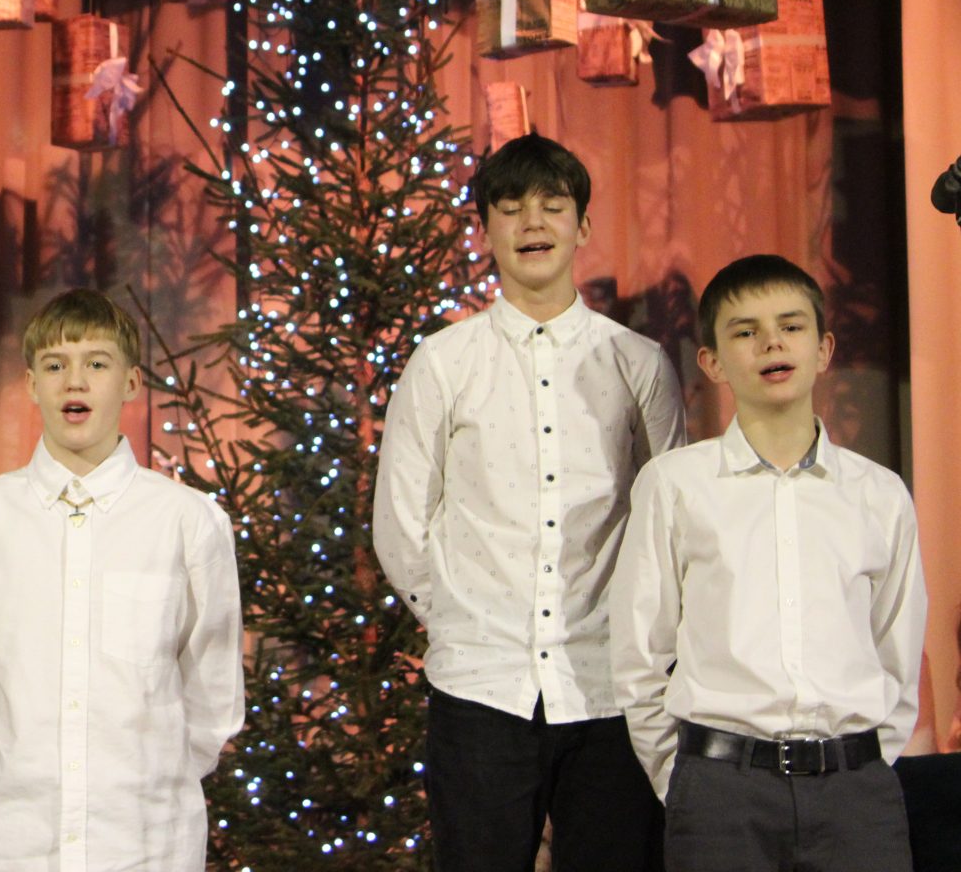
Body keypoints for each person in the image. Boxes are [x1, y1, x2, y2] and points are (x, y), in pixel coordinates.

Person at [373, 133, 686, 872]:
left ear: (583, 225)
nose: (532, 222)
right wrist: (461, 621)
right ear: (486, 230)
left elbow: (669, 520)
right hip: (480, 688)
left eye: (552, 204)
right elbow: (400, 523)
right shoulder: (442, 362)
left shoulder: (637, 362)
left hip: (609, 688)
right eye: (510, 207)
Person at [609, 253, 928, 872]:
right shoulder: (676, 485)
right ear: (713, 362)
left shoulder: (878, 493)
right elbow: (639, 652)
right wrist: (680, 777)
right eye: (746, 332)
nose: (772, 344)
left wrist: (866, 763)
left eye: (791, 326)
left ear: (823, 349)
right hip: (723, 794)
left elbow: (898, 646)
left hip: (854, 794)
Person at [0, 288, 245, 871]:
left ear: (131, 382)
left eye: (96, 364)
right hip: (10, 839)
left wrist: (155, 774)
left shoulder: (187, 522)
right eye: (55, 366)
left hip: (144, 841)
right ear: (31, 384)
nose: (75, 381)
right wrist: (10, 758)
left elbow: (212, 686)